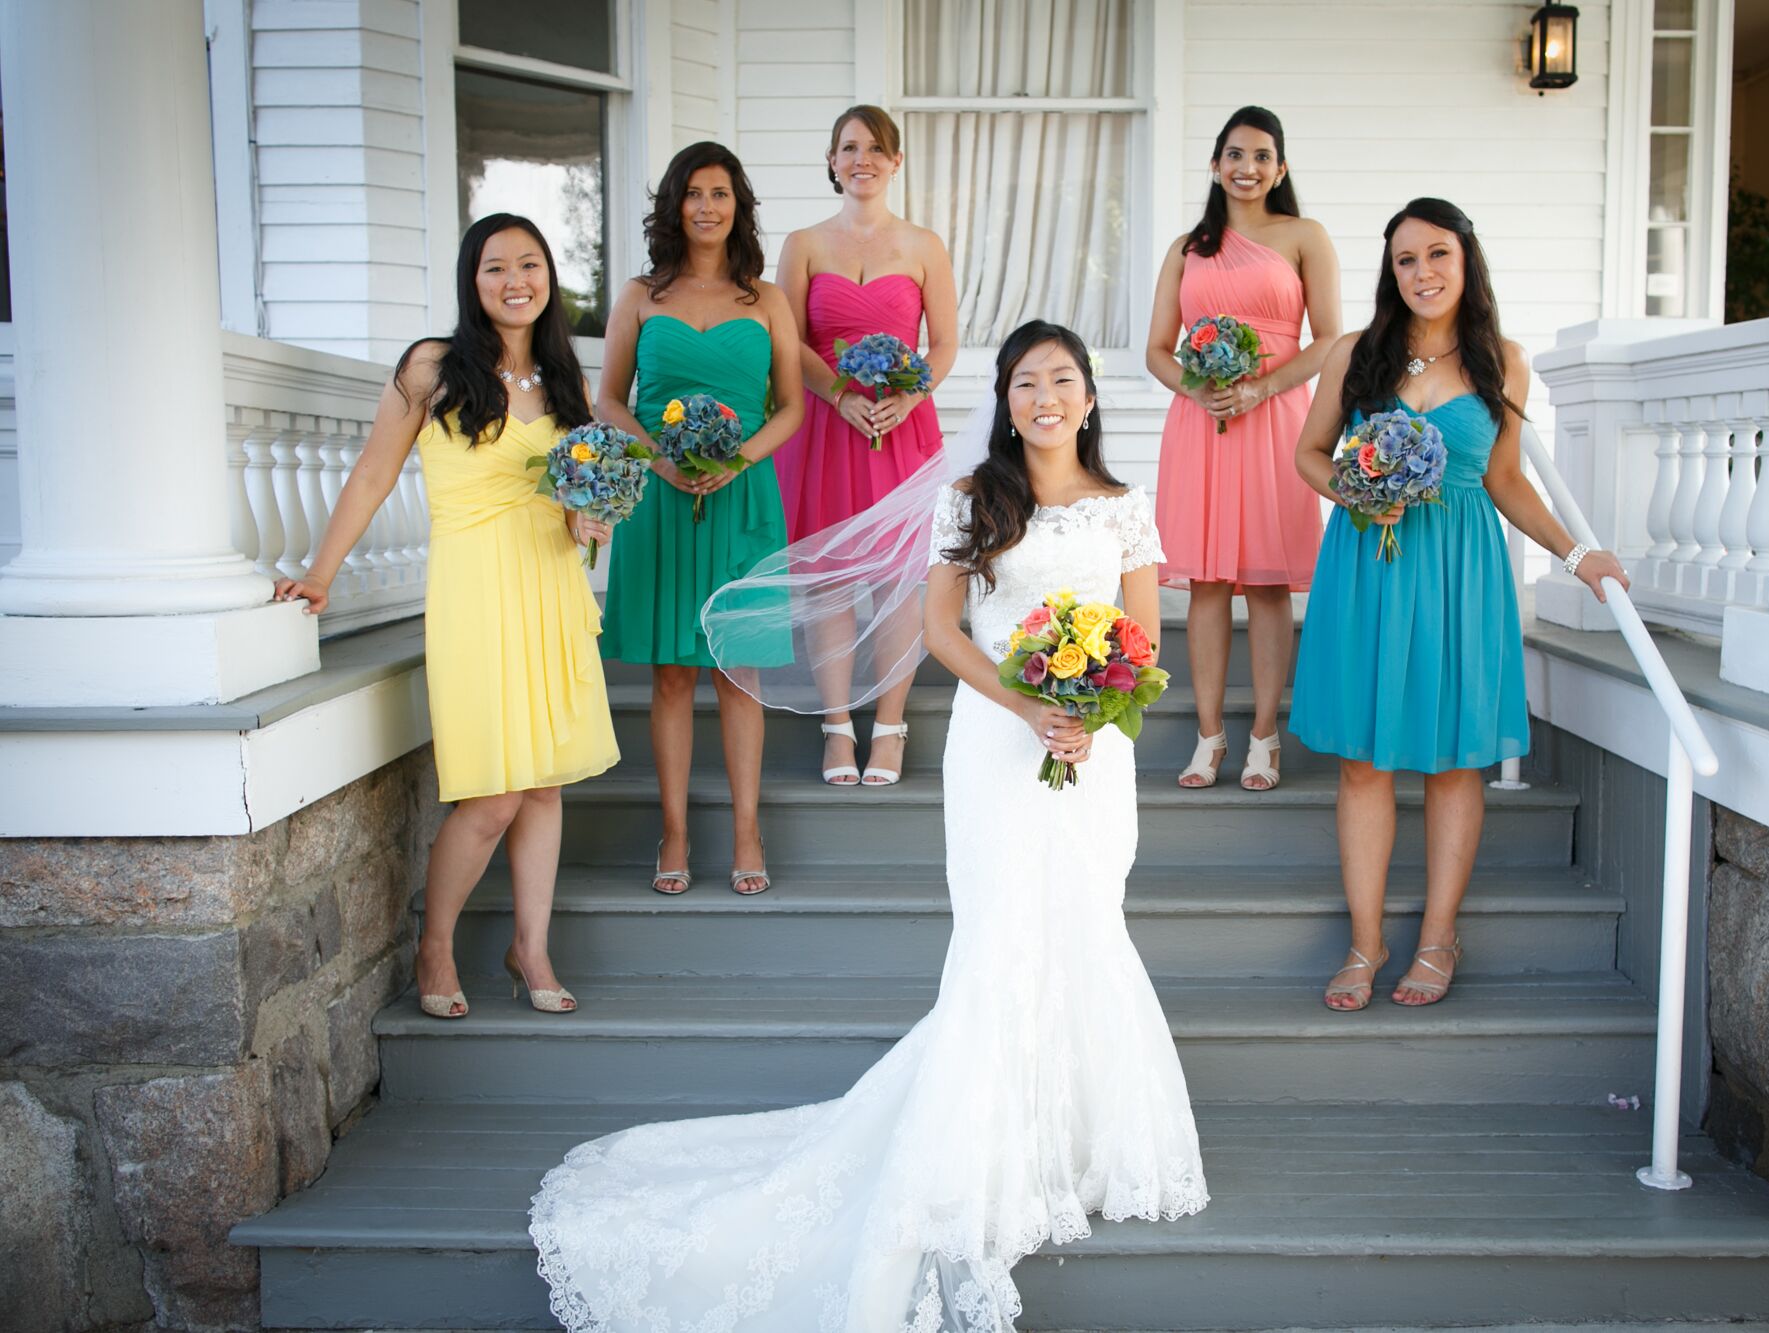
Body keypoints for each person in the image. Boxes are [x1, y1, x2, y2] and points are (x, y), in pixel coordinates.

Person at [529, 321, 1207, 1333]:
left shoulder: (1123, 508)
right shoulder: (969, 501)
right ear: (1006, 399)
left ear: (1089, 397)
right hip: (998, 737)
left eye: (1062, 379)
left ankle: (1074, 1143)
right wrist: (1028, 705)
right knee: (1000, 935)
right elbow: (939, 629)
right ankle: (984, 1152)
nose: (1045, 397)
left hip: (1092, 744)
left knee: (1084, 920)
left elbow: (1143, 637)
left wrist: (1089, 706)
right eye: (1025, 382)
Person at [275, 213, 618, 1017]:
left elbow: (574, 500)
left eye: (530, 265)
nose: (514, 281)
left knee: (542, 786)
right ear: (473, 279)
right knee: (493, 793)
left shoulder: (565, 384)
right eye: (496, 267)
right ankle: (436, 945)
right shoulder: (433, 367)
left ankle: (530, 948)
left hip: (551, 585)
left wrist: (586, 518)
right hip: (475, 588)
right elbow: (371, 474)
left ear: (549, 280)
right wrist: (320, 573)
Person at [1290, 198, 1628, 1010]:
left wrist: (1580, 556)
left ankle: (1439, 935)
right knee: (1363, 760)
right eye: (1406, 260)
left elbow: (1506, 478)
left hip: (1459, 572)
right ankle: (1365, 941)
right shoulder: (1355, 354)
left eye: (1437, 254)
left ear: (1466, 261)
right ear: (1390, 272)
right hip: (1370, 562)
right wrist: (1359, 490)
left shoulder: (1501, 362)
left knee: (1452, 757)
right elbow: (1309, 453)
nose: (1422, 273)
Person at [594, 143, 805, 898]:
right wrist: (657, 459)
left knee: (739, 670)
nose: (707, 206)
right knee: (674, 675)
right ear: (674, 206)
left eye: (720, 193)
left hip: (742, 497)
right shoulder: (640, 295)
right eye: (693, 193)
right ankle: (676, 829)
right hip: (661, 496)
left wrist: (739, 460)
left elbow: (792, 407)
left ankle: (747, 829)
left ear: (737, 205)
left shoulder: (768, 300)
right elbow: (609, 400)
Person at [1147, 106, 1339, 792]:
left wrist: (1261, 390)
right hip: (1203, 424)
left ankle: (1264, 735)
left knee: (1264, 582)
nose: (1247, 167)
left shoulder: (1304, 236)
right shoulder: (1187, 247)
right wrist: (1199, 390)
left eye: (1261, 155)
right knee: (1206, 582)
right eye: (1234, 154)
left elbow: (1328, 341)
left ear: (1280, 168)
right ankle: (1208, 737)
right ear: (1215, 165)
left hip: (1275, 417)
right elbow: (1157, 351)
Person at [774, 104, 959, 786]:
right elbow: (786, 339)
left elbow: (942, 344)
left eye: (877, 149)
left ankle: (888, 725)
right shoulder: (803, 244)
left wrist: (909, 396)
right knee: (834, 579)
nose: (863, 160)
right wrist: (839, 395)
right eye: (850, 148)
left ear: (896, 162)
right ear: (831, 161)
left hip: (901, 428)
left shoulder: (922, 245)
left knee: (897, 580)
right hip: (826, 425)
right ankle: (834, 729)